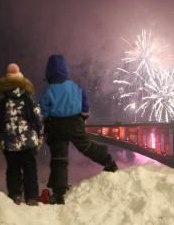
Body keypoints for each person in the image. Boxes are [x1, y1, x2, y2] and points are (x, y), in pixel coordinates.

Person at [40, 54, 118, 204]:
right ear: (65, 70)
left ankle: (58, 193)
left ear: (48, 72)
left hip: (56, 125)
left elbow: (43, 111)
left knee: (59, 158)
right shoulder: (76, 87)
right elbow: (85, 107)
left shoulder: (49, 90)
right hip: (75, 122)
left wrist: (47, 122)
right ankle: (109, 162)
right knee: (86, 146)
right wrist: (81, 118)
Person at [0, 63, 43, 206]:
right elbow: (38, 119)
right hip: (28, 143)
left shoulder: (1, 103)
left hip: (9, 143)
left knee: (13, 172)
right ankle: (32, 199)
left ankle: (15, 197)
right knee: (30, 172)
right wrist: (40, 136)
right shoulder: (29, 100)